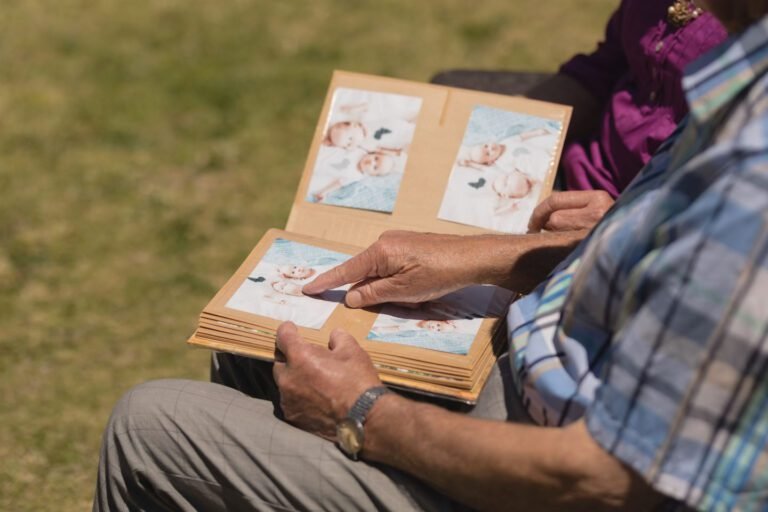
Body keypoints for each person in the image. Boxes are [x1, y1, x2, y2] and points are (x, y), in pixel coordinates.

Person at [93, 2, 768, 511]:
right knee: (260, 339)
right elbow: (655, 259)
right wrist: (489, 259)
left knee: (147, 427)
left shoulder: (750, 181)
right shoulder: (741, 85)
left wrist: (362, 414)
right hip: (550, 356)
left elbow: (601, 479)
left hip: (541, 461)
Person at [435, 0, 728, 231]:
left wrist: (619, 222)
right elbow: (605, 68)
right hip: (567, 169)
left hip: (645, 228)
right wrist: (504, 118)